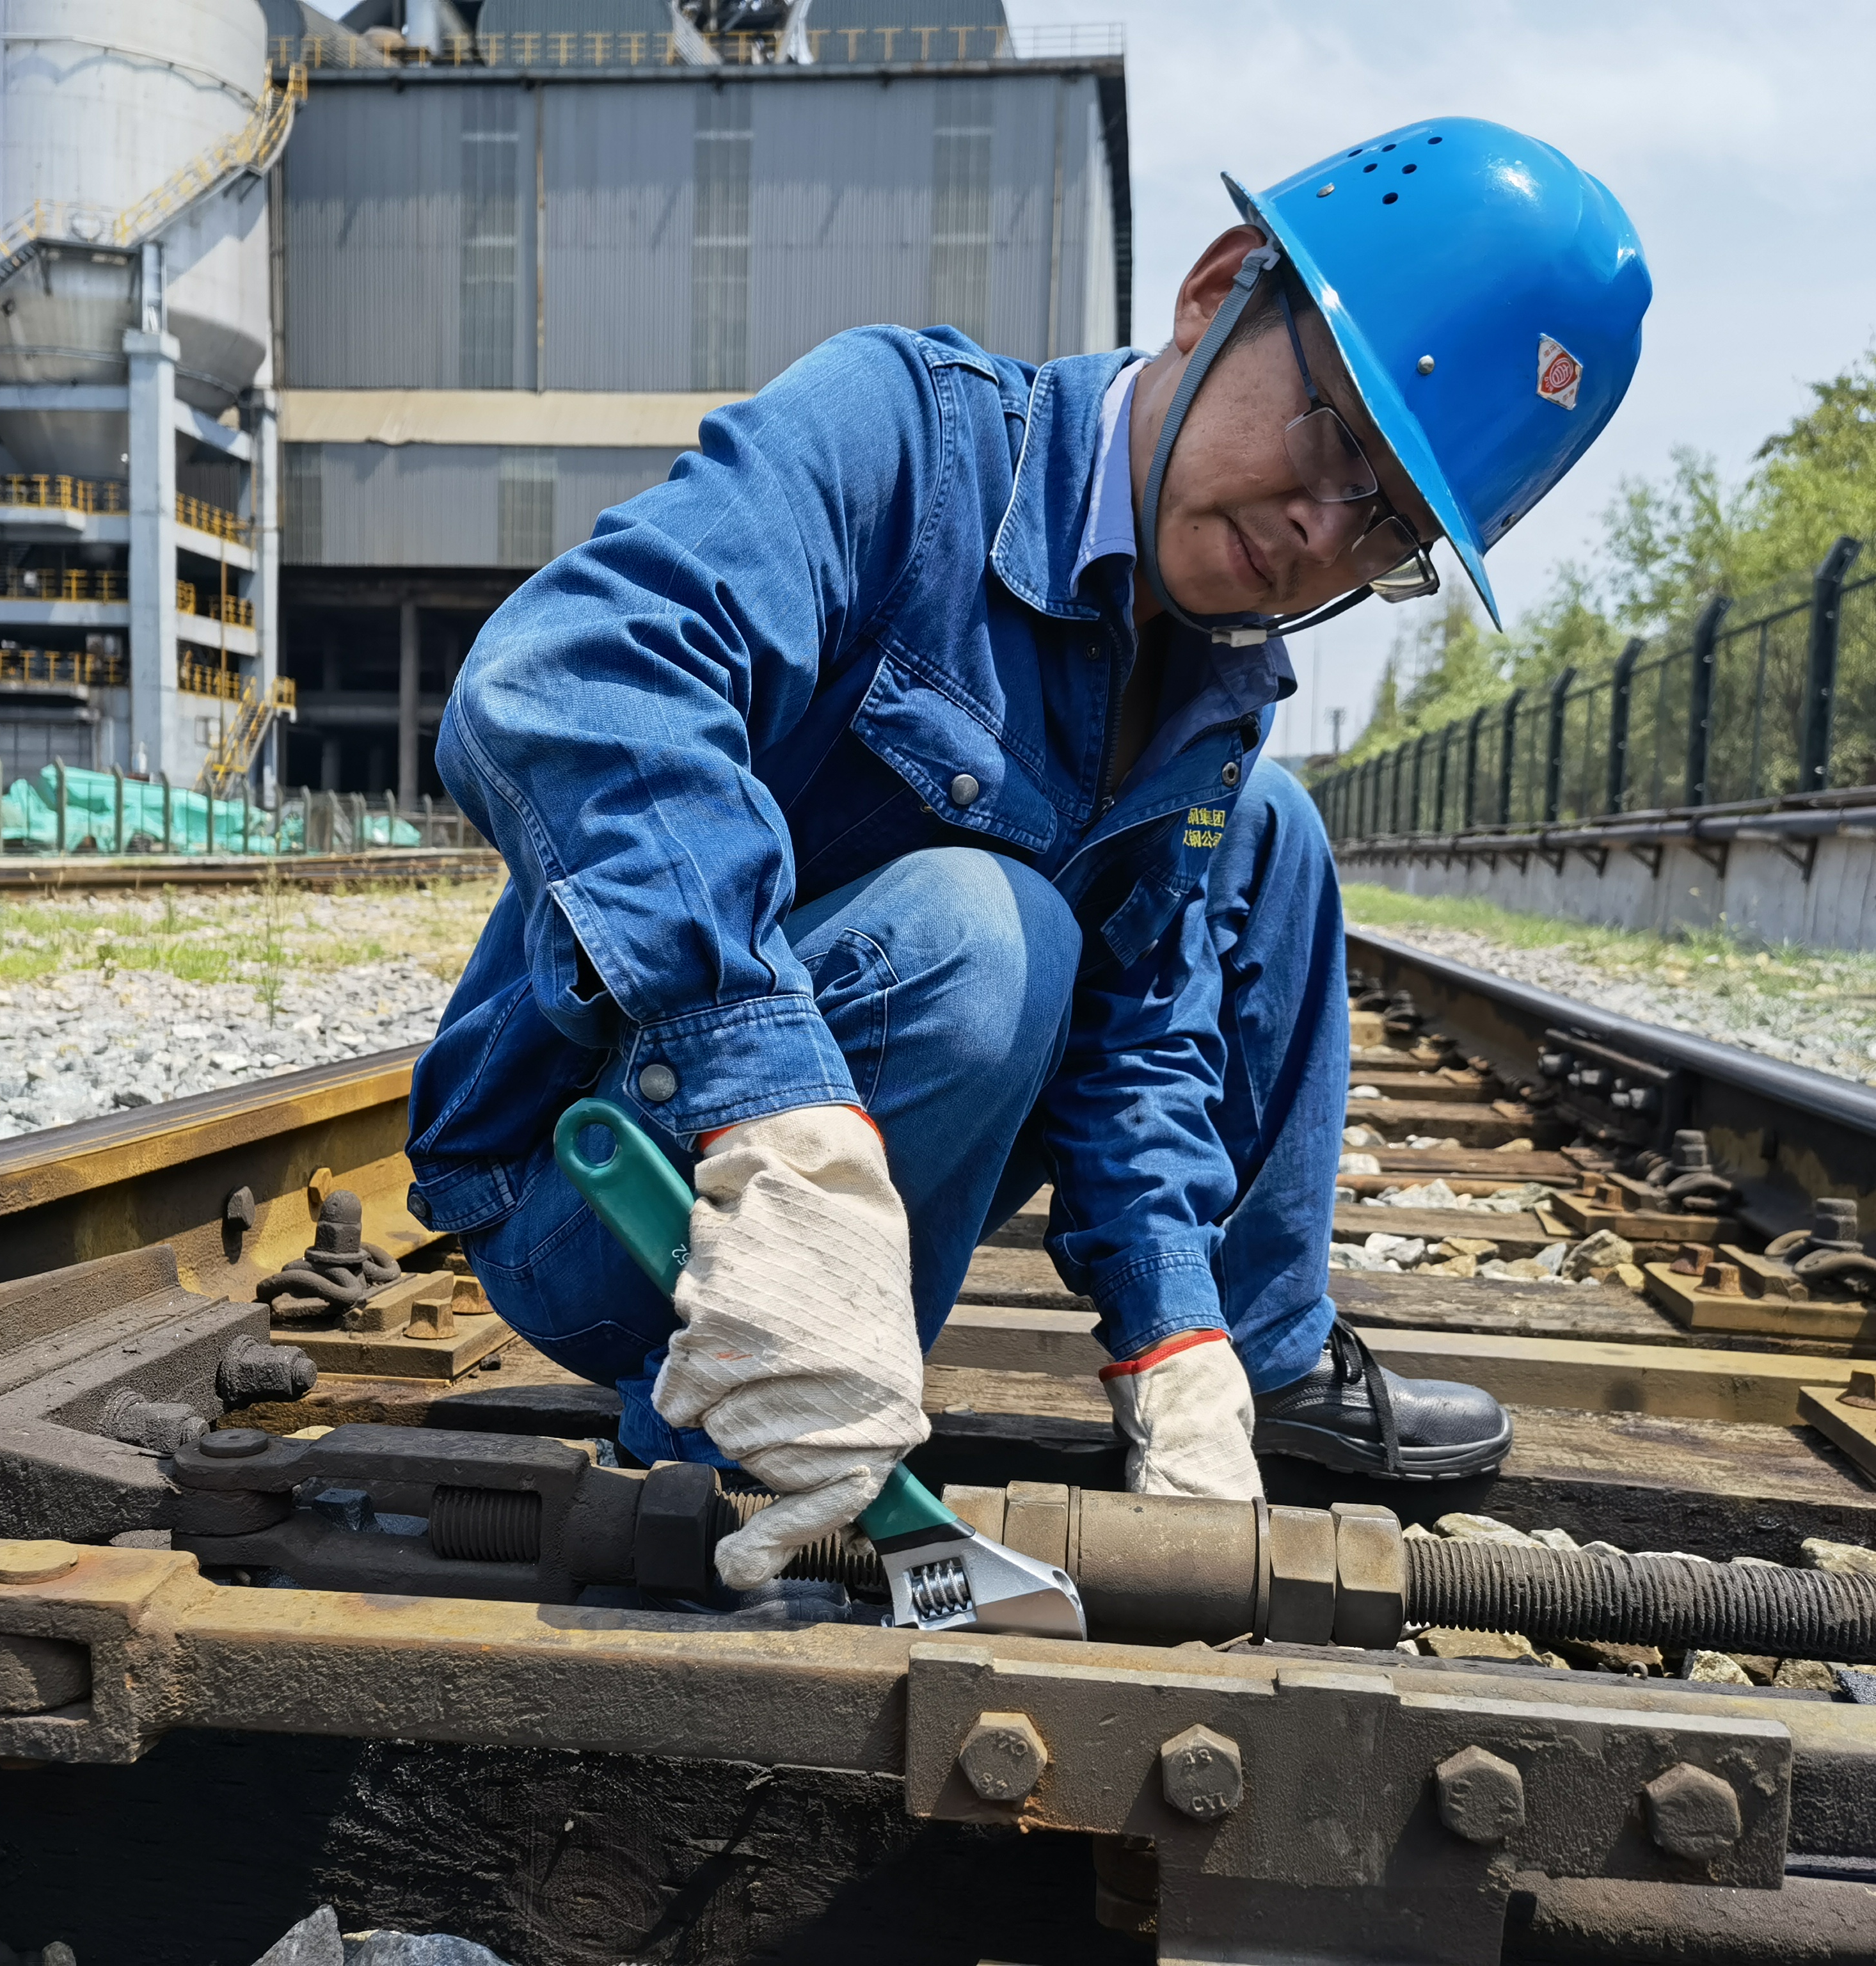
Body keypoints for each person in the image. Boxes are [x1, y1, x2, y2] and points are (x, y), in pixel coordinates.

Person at [404, 118, 1651, 1590]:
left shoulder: (1216, 688)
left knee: (1270, 837)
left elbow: (1139, 1034)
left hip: (843, 1223)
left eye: (1389, 523)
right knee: (986, 930)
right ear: (1216, 290)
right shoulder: (907, 439)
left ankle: (1256, 1362)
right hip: (616, 1199)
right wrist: (768, 1099)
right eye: (1332, 434)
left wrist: (1169, 1338)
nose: (1321, 529)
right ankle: (735, 1439)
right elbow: (567, 677)